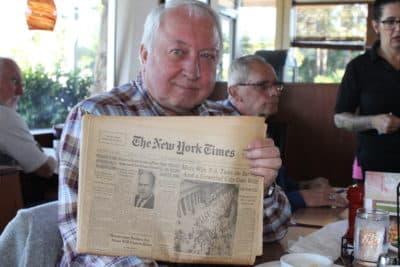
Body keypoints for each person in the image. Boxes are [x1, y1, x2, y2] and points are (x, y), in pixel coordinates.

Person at [58, 1, 291, 266]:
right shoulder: (97, 116)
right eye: (178, 52)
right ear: (145, 55)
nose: (193, 71)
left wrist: (265, 188)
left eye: (207, 56)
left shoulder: (229, 125)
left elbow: (275, 232)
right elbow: (78, 236)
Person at [221, 54, 347, 211]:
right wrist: (303, 197)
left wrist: (304, 185)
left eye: (276, 85)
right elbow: (239, 201)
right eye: (263, 85)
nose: (275, 92)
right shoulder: (222, 131)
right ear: (234, 92)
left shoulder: (258, 125)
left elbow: (273, 185)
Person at [334, 0, 400, 174]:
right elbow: (340, 118)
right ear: (376, 26)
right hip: (374, 166)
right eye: (391, 21)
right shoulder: (359, 67)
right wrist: (372, 121)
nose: (398, 28)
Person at [0, 57, 56, 178]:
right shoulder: (4, 116)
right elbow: (45, 169)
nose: (21, 92)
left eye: (22, 84)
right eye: (14, 81)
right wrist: (58, 159)